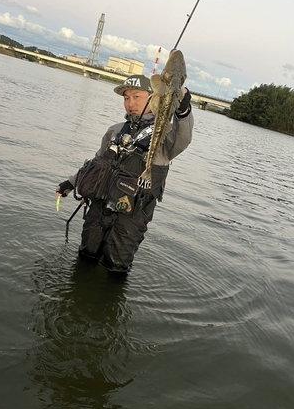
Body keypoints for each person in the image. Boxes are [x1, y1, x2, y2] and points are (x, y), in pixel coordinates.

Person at [56, 73, 193, 274]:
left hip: (132, 218)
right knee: (85, 257)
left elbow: (184, 138)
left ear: (153, 97)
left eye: (136, 97)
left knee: (115, 269)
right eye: (126, 98)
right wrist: (70, 183)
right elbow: (96, 163)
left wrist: (183, 109)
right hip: (100, 207)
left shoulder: (165, 134)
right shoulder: (115, 130)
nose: (130, 103)